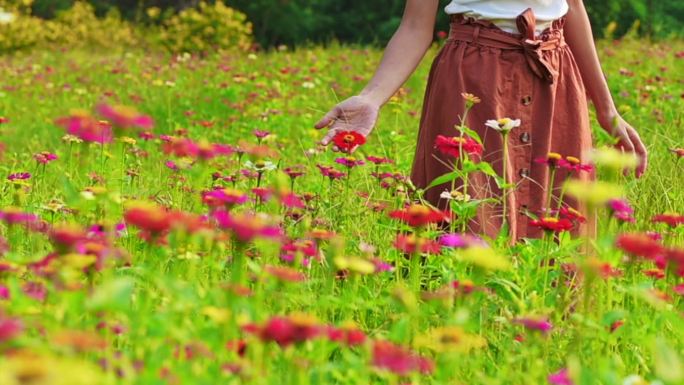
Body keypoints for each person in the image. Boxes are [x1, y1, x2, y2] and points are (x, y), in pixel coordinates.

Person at [314, 0, 648, 240]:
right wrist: (372, 96)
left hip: (554, 75)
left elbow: (572, 6)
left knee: (560, 223)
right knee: (469, 216)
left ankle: (552, 335)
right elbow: (416, 26)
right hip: (473, 79)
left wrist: (607, 110)